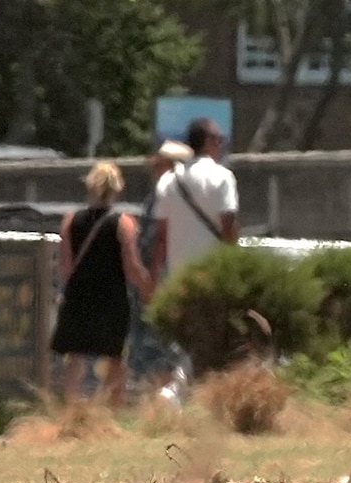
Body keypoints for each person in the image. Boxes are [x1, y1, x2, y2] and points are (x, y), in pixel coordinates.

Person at [47, 158, 152, 407]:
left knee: (75, 356)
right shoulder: (124, 223)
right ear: (117, 188)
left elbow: (65, 267)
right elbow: (131, 267)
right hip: (111, 298)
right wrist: (148, 289)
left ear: (90, 186)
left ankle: (71, 409)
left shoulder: (70, 220)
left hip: (78, 296)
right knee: (115, 357)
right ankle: (112, 410)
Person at [156, 121, 240, 284]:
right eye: (219, 139)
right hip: (214, 274)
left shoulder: (168, 180)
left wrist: (154, 277)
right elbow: (228, 228)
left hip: (179, 278)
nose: (221, 144)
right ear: (208, 141)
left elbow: (161, 236)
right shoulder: (223, 177)